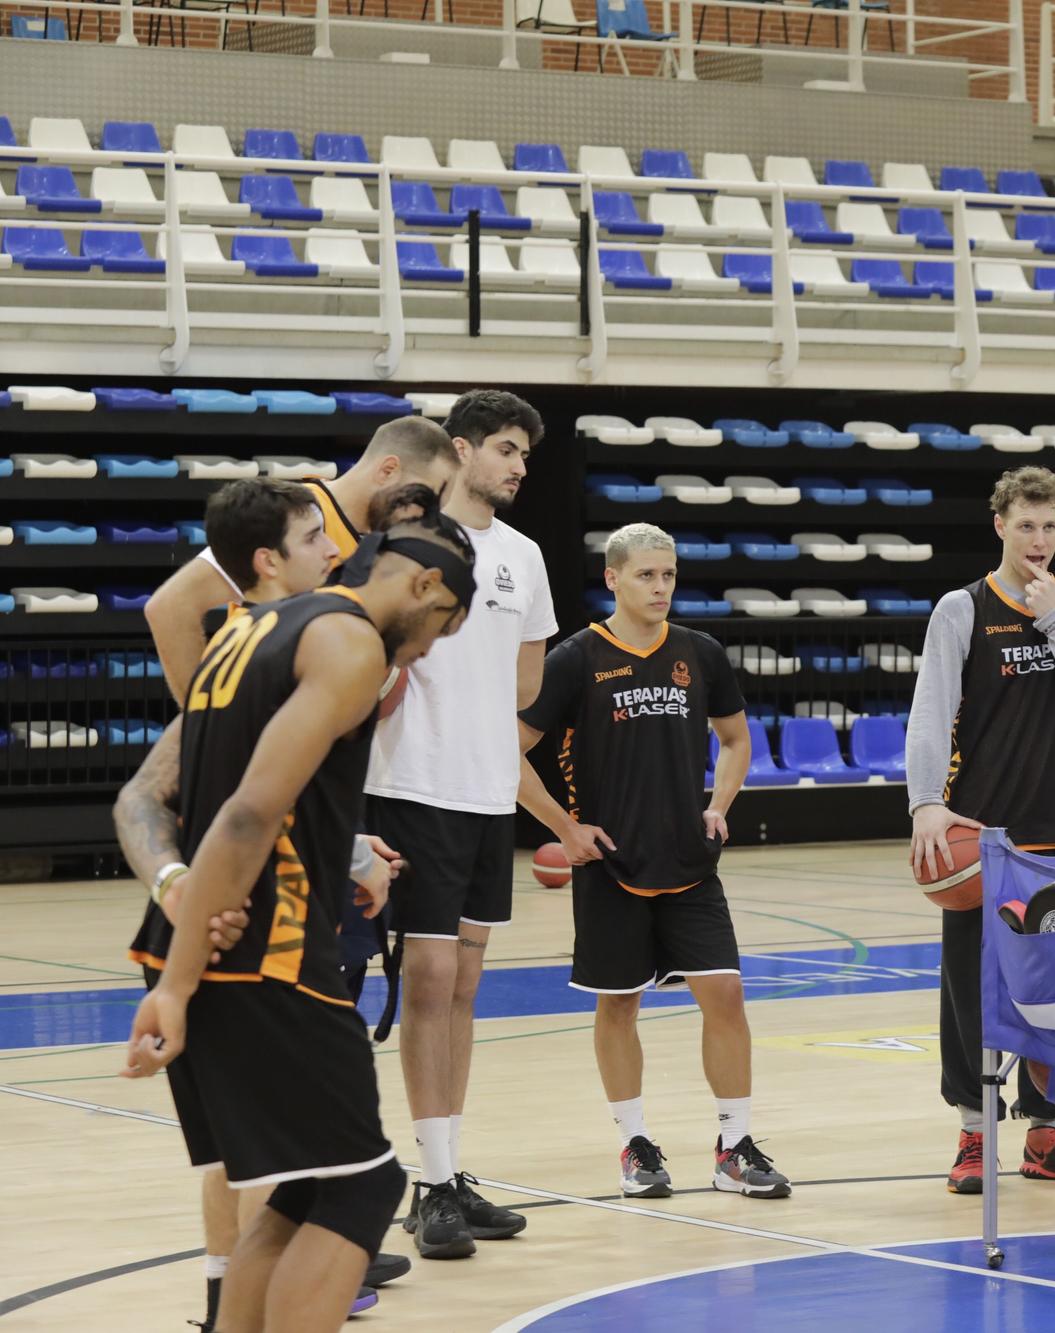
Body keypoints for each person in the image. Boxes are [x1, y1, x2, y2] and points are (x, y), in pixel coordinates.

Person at [120, 509, 476, 1333]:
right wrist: (175, 985)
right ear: (422, 584)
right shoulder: (350, 645)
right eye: (441, 627)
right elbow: (248, 815)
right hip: (266, 949)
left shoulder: (248, 632)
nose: (429, 649)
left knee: (306, 1185)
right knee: (364, 1183)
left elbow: (146, 794)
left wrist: (181, 915)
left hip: (206, 931)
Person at [516, 524, 792, 1202]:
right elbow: (508, 751)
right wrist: (564, 827)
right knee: (620, 1001)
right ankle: (634, 1141)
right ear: (613, 579)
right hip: (611, 862)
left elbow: (734, 739)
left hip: (689, 858)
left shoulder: (700, 653)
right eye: (646, 575)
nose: (661, 586)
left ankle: (733, 1145)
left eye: (668, 574)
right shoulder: (576, 659)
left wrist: (720, 802)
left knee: (725, 992)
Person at [366, 389, 556, 1260]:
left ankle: (449, 1169)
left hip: (486, 792)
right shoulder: (406, 545)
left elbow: (525, 688)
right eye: (507, 449)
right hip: (413, 782)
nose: (518, 467)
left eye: (525, 454)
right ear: (464, 449)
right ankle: (429, 1181)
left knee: (467, 988)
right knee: (431, 980)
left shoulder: (524, 555)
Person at [908, 466, 1055, 1194]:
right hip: (986, 837)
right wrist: (923, 804)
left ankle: (1046, 1131)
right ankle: (975, 1132)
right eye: (1026, 525)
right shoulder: (961, 608)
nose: (1038, 539)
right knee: (970, 994)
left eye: (1050, 526)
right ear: (998, 524)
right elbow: (930, 712)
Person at [144, 415, 458, 703]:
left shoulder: (383, 548)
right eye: (424, 499)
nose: (426, 518)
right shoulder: (291, 515)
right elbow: (171, 606)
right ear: (388, 471)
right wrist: (202, 716)